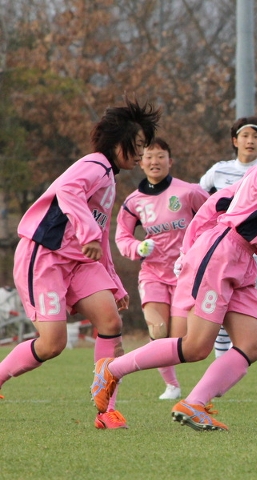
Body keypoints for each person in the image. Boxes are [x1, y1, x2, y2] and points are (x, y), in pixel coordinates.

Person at [91, 108, 257, 432]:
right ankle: (111, 369)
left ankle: (193, 403)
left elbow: (216, 203)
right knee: (195, 346)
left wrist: (188, 247)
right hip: (224, 254)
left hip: (241, 260)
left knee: (251, 344)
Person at [0, 97, 160, 429]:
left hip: (79, 263)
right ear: (119, 143)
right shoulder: (94, 164)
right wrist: (86, 232)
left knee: (111, 323)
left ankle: (106, 410)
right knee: (52, 343)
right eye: (140, 145)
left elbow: (101, 237)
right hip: (44, 256)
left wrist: (114, 283)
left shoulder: (110, 177)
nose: (143, 154)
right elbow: (69, 192)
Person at [115, 138, 209, 400]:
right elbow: (121, 237)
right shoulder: (134, 201)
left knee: (178, 341)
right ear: (141, 163)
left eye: (160, 156)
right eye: (149, 156)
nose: (154, 161)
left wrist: (201, 249)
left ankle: (146, 366)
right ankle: (172, 386)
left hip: (185, 276)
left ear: (170, 161)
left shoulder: (189, 192)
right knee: (158, 330)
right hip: (153, 273)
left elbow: (213, 216)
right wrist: (137, 247)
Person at [199, 117, 257, 358]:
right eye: (245, 135)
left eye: (256, 137)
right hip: (223, 248)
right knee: (222, 304)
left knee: (247, 309)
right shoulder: (219, 170)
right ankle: (222, 363)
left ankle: (233, 360)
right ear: (235, 140)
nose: (250, 141)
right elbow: (199, 202)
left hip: (256, 252)